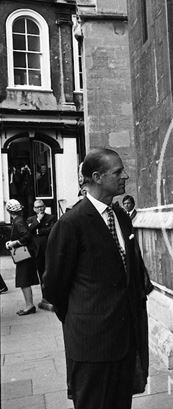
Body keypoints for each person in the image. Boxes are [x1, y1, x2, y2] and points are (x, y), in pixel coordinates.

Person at [43, 148, 151, 409]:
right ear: (97, 177)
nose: (125, 175)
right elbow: (54, 286)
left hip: (126, 341)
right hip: (92, 345)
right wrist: (84, 319)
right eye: (118, 171)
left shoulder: (122, 218)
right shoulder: (72, 224)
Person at [4, 199, 39, 315]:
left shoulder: (18, 222)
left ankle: (29, 306)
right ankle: (29, 305)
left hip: (24, 256)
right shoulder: (19, 220)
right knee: (24, 280)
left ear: (9, 211)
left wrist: (14, 243)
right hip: (25, 255)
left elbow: (27, 236)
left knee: (24, 281)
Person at [27, 199, 56, 282]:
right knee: (41, 273)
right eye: (37, 207)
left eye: (41, 206)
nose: (40, 209)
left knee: (51, 272)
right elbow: (29, 230)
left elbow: (52, 230)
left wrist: (38, 231)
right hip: (36, 250)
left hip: (48, 249)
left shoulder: (51, 217)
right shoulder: (31, 219)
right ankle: (44, 292)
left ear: (45, 207)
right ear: (34, 209)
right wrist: (38, 220)